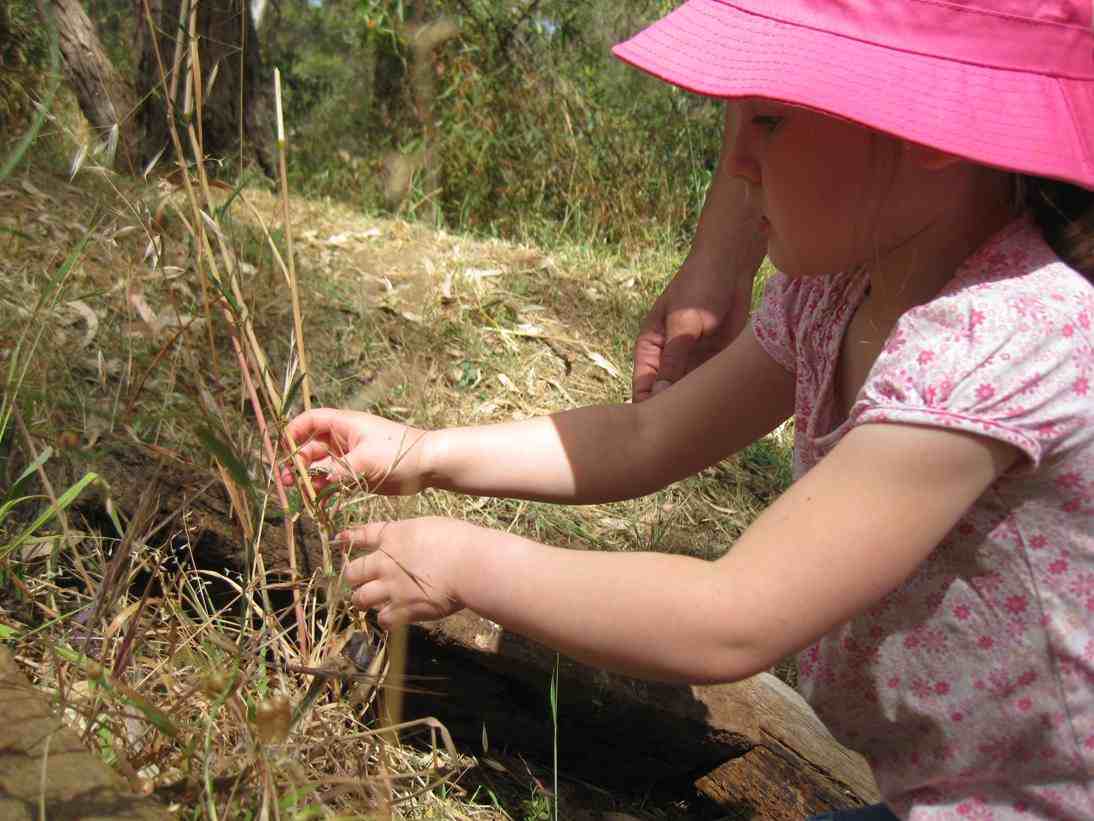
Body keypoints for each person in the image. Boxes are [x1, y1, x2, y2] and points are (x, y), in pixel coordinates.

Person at [279, 1, 1094, 817]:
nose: (736, 162)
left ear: (932, 134)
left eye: (768, 122)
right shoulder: (834, 297)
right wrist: (422, 452)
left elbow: (732, 616)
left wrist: (467, 565)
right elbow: (645, 435)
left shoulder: (1001, 341)